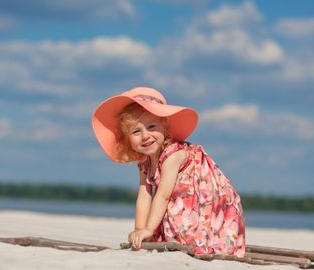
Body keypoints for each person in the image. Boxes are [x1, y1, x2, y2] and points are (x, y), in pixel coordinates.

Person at [92, 87, 245, 257]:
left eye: (151, 127)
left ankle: (198, 242)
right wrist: (140, 231)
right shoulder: (145, 160)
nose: (145, 136)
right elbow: (144, 195)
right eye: (136, 131)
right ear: (127, 138)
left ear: (165, 128)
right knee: (170, 215)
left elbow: (163, 194)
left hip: (210, 199)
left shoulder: (172, 155)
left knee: (178, 217)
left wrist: (149, 229)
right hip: (183, 199)